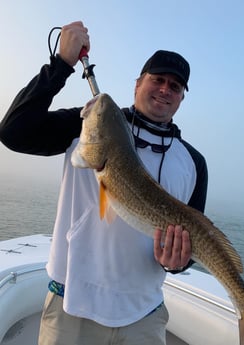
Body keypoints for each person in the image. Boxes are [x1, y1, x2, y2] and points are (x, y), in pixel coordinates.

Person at [0, 21, 208, 345]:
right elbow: (13, 132)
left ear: (181, 98)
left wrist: (180, 263)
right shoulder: (87, 124)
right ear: (138, 83)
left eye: (175, 86)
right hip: (71, 306)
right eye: (158, 79)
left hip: (145, 315)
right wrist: (60, 65)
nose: (166, 89)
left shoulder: (193, 163)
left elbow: (192, 241)